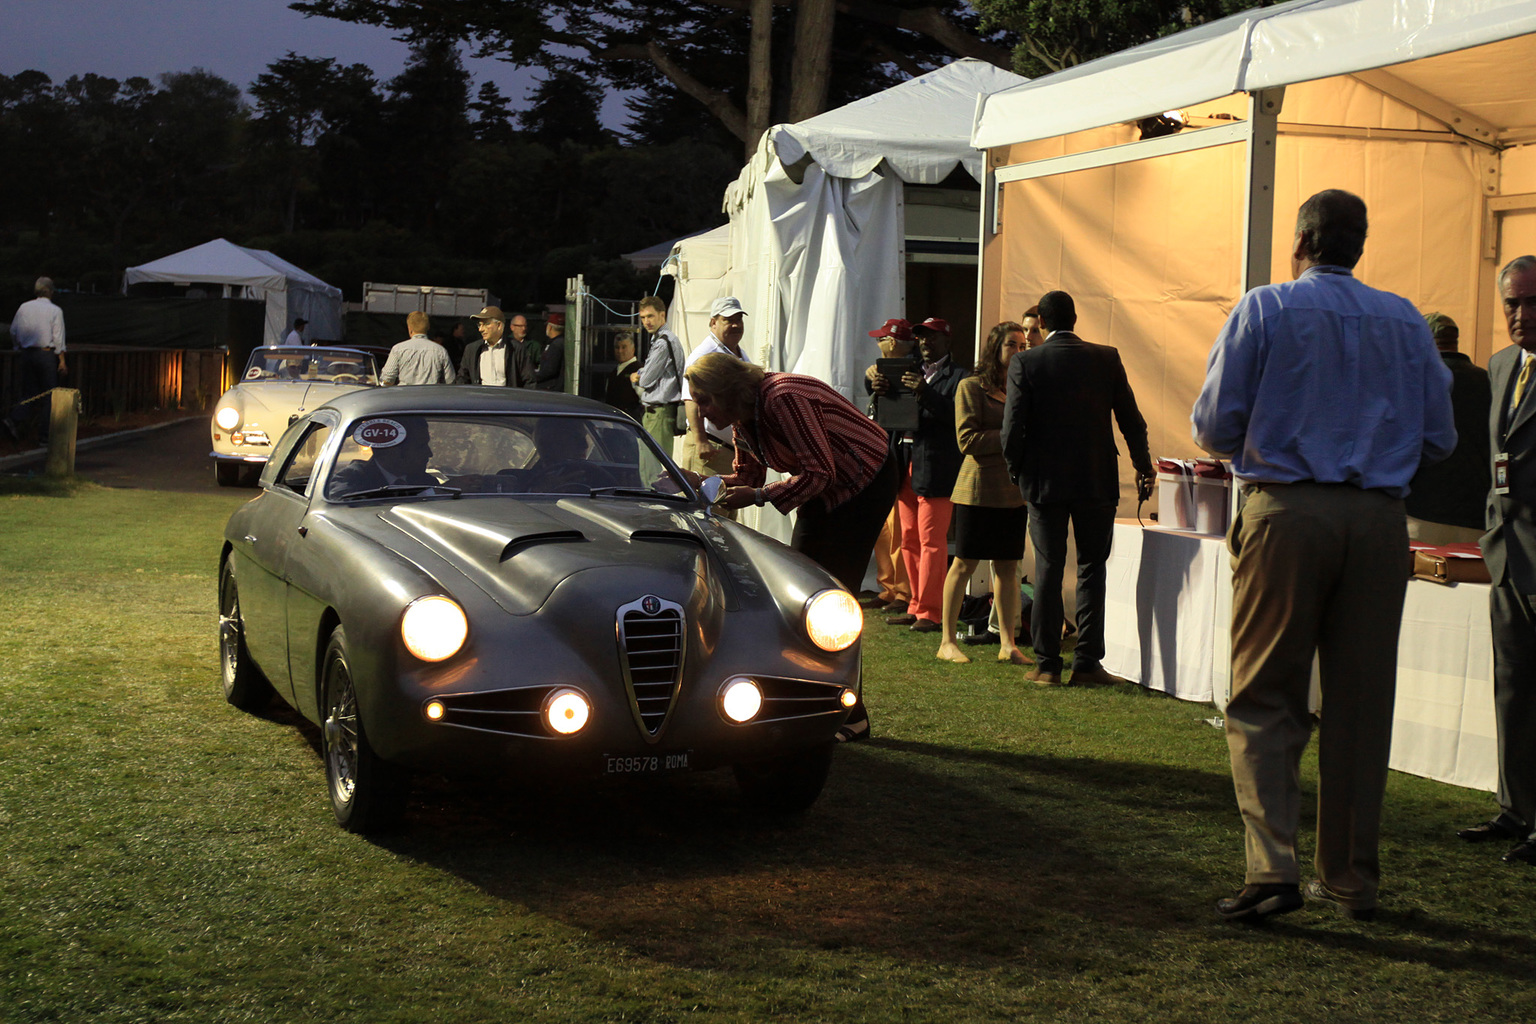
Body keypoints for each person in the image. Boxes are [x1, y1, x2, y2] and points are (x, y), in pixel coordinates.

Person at [1192, 189, 1456, 922]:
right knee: (1361, 705)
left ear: (1300, 242)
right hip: (1378, 520)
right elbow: (1441, 438)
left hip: (1288, 509)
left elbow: (1215, 425)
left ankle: (1272, 868)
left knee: (1266, 696)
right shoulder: (1405, 319)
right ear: (1358, 247)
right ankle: (1349, 878)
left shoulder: (1266, 308)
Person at [684, 351, 899, 742]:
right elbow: (747, 474)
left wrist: (759, 496)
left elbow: (819, 471)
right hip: (828, 484)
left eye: (703, 399)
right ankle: (806, 696)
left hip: (865, 480)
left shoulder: (782, 397)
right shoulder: (741, 418)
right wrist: (697, 482)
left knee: (830, 598)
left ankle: (851, 715)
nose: (698, 410)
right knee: (799, 589)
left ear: (726, 390)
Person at [1002, 290, 1154, 687]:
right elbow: (1130, 420)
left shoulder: (1025, 362)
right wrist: (1143, 466)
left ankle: (1048, 664)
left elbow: (1012, 428)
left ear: (1044, 324)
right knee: (1092, 568)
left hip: (1044, 481)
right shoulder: (1106, 357)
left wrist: (1017, 471)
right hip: (1095, 477)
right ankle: (1087, 662)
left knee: (1049, 568)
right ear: (1075, 319)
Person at [1462, 254, 1536, 868]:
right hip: (1507, 555)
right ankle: (1516, 810)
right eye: (1512, 302)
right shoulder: (1501, 365)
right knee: (1512, 689)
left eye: (1533, 302)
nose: (1521, 314)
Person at [937, 322, 1032, 667]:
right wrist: (1012, 435)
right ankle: (947, 641)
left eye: (1023, 345)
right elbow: (967, 441)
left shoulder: (1023, 388)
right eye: (1012, 345)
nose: (1019, 351)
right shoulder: (970, 386)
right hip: (976, 490)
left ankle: (1008, 643)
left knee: (1008, 567)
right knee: (964, 564)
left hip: (1012, 492)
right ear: (995, 347)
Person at [871, 316, 963, 633]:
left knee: (932, 542)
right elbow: (885, 414)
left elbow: (957, 418)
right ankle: (915, 604)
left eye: (933, 338)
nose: (926, 343)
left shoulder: (959, 377)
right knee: (908, 539)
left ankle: (931, 611)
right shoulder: (905, 371)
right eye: (922, 338)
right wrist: (877, 389)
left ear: (947, 341)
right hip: (906, 461)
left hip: (937, 466)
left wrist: (925, 393)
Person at [1404, 312, 1490, 544]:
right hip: (1478, 518)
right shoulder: (1490, 381)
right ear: (1455, 341)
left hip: (1421, 515)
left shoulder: (1414, 380)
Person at [862, 317, 915, 612]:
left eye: (881, 339)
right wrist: (872, 380)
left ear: (892, 343)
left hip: (901, 456)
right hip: (882, 454)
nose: (878, 345)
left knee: (899, 528)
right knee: (884, 526)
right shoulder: (881, 371)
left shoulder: (913, 371)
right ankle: (888, 586)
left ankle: (903, 590)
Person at [679, 296, 753, 507]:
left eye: (739, 319)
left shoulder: (737, 353)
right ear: (713, 323)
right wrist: (701, 440)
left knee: (725, 517)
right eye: (728, 319)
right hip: (710, 449)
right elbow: (690, 399)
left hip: (729, 451)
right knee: (707, 515)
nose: (736, 325)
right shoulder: (706, 354)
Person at [4, 276, 67, 443]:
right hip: (45, 354)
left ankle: (14, 418)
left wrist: (18, 347)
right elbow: (58, 338)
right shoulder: (55, 310)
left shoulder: (24, 307)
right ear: (51, 291)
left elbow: (13, 330)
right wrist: (61, 360)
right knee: (49, 394)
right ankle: (44, 436)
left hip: (26, 353)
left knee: (29, 392)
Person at [636, 296, 687, 453]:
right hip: (659, 412)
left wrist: (637, 375)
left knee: (652, 469)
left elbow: (645, 380)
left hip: (659, 413)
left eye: (650, 316)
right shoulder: (663, 339)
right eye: (643, 317)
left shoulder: (663, 342)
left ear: (662, 315)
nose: (646, 322)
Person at [456, 306, 533, 388]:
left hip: (507, 399)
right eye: (479, 325)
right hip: (480, 399)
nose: (481, 329)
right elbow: (462, 379)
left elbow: (529, 381)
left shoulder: (516, 348)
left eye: (486, 324)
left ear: (499, 325)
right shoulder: (472, 349)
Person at [380, 311, 455, 386]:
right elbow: (450, 380)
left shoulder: (398, 349)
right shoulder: (440, 351)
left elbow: (387, 379)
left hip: (404, 395)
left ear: (409, 328)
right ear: (428, 327)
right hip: (431, 396)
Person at [605, 332, 643, 419]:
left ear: (633, 349)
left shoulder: (640, 370)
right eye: (617, 347)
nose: (620, 351)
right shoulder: (613, 373)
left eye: (624, 347)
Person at [534, 312, 566, 392]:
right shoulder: (561, 343)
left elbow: (549, 370)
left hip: (550, 388)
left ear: (550, 327)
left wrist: (533, 376)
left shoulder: (556, 345)